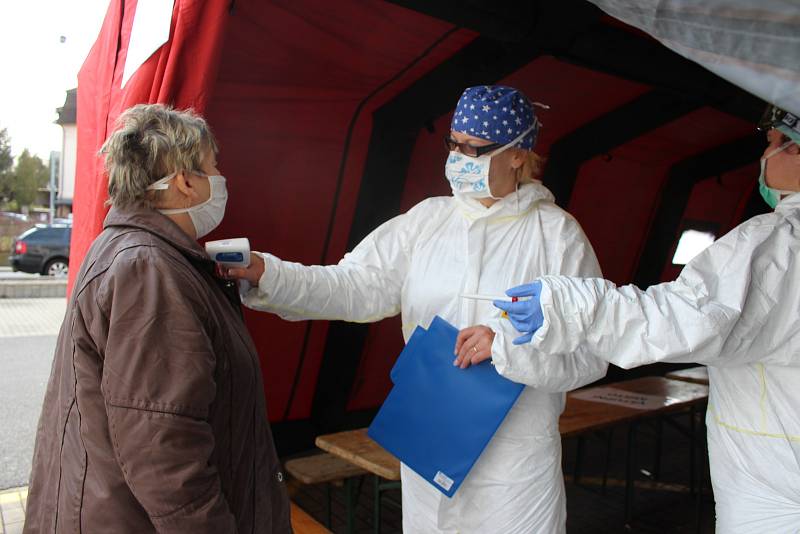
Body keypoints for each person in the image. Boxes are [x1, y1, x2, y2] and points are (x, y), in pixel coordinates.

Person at [228, 85, 608, 533]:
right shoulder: (428, 220)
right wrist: (268, 274)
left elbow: (591, 353)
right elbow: (354, 285)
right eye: (453, 143)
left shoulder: (557, 238)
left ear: (519, 155)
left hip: (514, 460)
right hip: (430, 437)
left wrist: (507, 347)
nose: (459, 157)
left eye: (475, 148)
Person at [467, 105, 800, 533]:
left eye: (773, 143)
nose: (765, 156)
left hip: (779, 484)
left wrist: (568, 307)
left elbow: (689, 317)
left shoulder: (778, 242)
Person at [24, 104, 291, 534]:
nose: (220, 178)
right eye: (212, 166)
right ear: (185, 182)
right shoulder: (148, 268)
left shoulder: (130, 251)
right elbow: (165, 452)